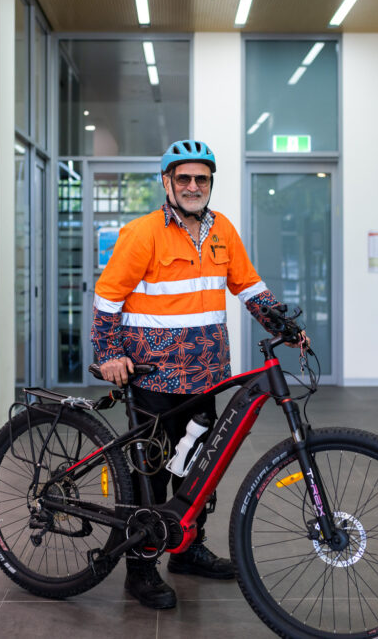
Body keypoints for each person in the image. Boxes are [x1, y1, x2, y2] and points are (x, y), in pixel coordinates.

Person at [91, 139, 305, 610]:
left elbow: (248, 286)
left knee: (198, 469)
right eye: (183, 178)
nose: (192, 186)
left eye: (201, 179)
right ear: (167, 182)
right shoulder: (143, 233)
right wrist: (108, 352)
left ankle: (185, 551)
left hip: (206, 375)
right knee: (151, 474)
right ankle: (141, 568)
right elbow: (108, 295)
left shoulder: (222, 230)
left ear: (210, 183)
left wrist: (286, 327)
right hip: (152, 379)